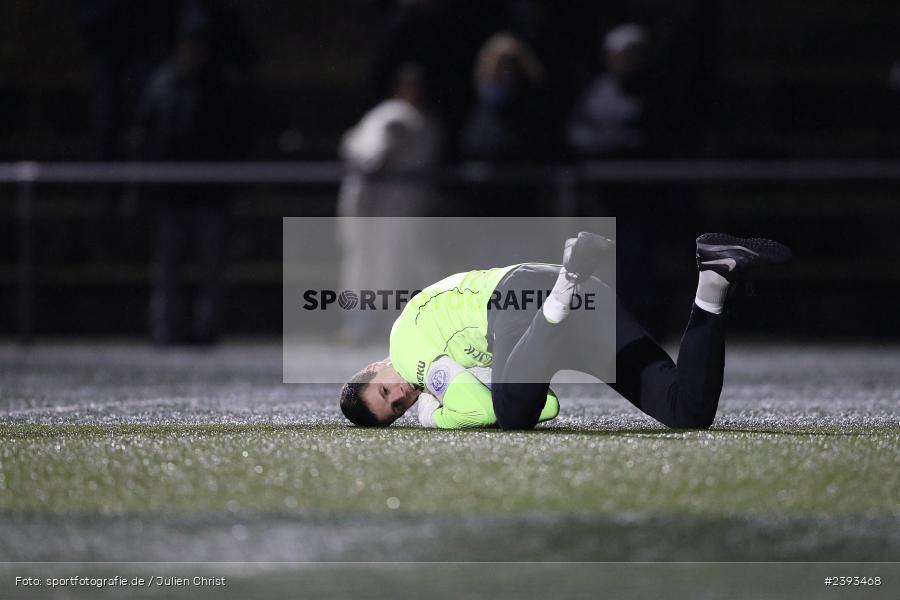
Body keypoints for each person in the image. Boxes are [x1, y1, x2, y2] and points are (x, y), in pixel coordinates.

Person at [340, 232, 792, 429]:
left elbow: (483, 411)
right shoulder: (429, 362)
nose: (400, 397)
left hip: (520, 296)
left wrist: (432, 416)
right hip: (561, 309)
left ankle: (563, 290)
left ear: (374, 367)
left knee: (510, 417)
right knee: (686, 411)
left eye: (384, 392)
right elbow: (548, 406)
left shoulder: (407, 350)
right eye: (396, 409)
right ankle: (714, 278)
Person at [337, 63, 442, 342]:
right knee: (364, 264)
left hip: (400, 205)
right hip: (372, 203)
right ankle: (360, 323)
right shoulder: (388, 116)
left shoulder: (419, 120)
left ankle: (391, 327)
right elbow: (362, 150)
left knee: (397, 265)